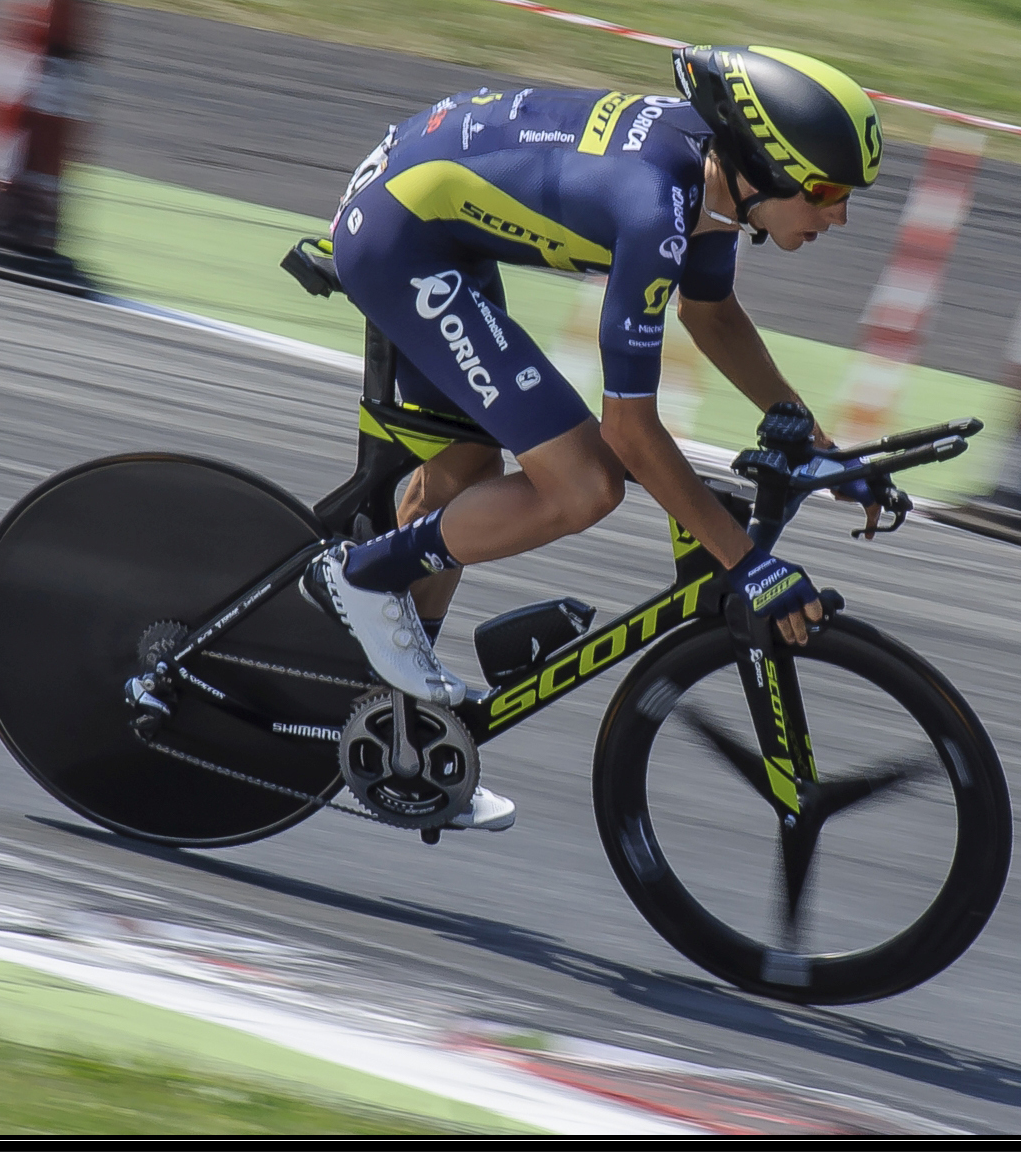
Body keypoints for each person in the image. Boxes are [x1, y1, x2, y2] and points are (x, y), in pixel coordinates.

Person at [311, 45, 888, 831]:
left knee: (465, 471)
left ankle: (398, 728)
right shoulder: (656, 208)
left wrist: (828, 452)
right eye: (823, 193)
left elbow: (710, 312)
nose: (838, 216)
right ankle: (366, 576)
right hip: (401, 237)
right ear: (762, 168)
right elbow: (632, 429)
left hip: (428, 212)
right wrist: (746, 562)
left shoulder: (713, 182)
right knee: (585, 484)